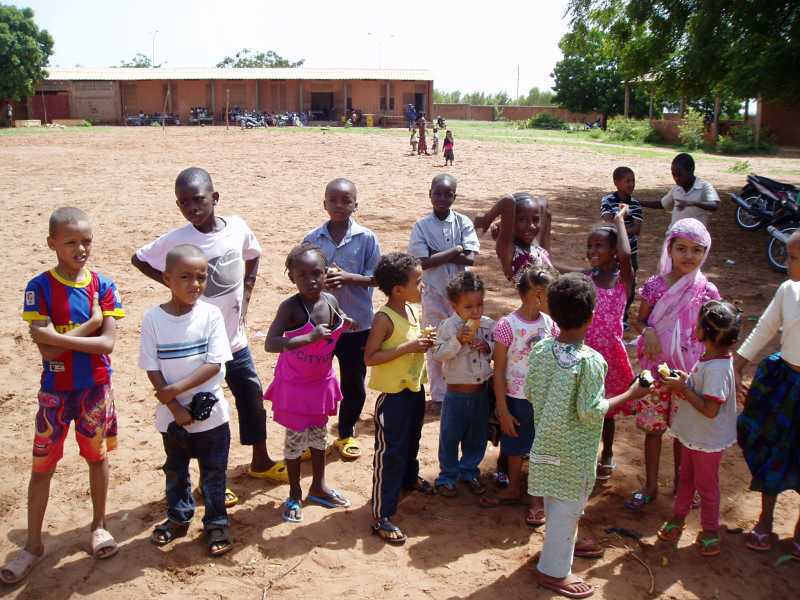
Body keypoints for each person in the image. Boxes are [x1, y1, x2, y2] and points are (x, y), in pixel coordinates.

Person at [132, 167, 286, 499]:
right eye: (184, 203)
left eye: (198, 199)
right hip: (199, 350)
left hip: (235, 341)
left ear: (215, 198)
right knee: (205, 412)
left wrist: (247, 290)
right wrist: (171, 283)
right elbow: (140, 258)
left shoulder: (237, 228)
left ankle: (260, 460)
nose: (192, 208)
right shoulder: (177, 240)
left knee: (251, 399)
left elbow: (253, 254)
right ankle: (208, 481)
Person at [2, 208, 124, 585]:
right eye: (70, 242)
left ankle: (99, 526)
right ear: (51, 242)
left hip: (95, 389)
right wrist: (88, 324)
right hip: (55, 393)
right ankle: (34, 544)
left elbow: (107, 343)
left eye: (86, 241)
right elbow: (48, 354)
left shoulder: (103, 284)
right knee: (43, 466)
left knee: (96, 456)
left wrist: (58, 336)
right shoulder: (38, 287)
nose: (80, 248)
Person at [527, 273, 649, 599]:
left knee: (555, 505)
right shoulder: (592, 362)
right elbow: (592, 411)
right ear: (591, 318)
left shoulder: (539, 350)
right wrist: (631, 394)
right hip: (574, 453)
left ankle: (554, 552)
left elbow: (531, 391)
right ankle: (554, 573)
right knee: (568, 509)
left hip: (544, 444)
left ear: (553, 313)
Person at [139, 245, 234, 557]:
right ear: (167, 278)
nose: (195, 284)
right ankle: (179, 518)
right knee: (176, 471)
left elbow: (214, 363)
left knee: (214, 473)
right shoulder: (153, 319)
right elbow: (152, 366)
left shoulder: (211, 315)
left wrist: (174, 389)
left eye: (201, 277)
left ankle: (217, 522)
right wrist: (174, 406)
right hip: (172, 418)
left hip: (213, 416)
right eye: (185, 277)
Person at [627, 218, 721, 511]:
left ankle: (683, 486)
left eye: (696, 250)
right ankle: (651, 486)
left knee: (683, 435)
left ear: (704, 253)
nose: (688, 256)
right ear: (670, 249)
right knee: (654, 431)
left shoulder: (707, 291)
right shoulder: (655, 286)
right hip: (655, 372)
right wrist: (649, 331)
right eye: (681, 249)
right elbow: (638, 319)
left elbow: (715, 329)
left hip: (688, 377)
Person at [264, 243, 353, 523]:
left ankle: (318, 486)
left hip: (319, 383)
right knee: (294, 443)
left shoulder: (330, 302)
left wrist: (345, 325)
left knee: (319, 438)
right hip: (294, 385)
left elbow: (336, 329)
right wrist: (308, 338)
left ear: (326, 273)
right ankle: (293, 492)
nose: (311, 279)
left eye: (317, 272)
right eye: (302, 275)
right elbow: (271, 343)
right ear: (292, 278)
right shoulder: (290, 308)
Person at [550, 207, 636, 481]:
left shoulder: (623, 280)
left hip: (609, 356)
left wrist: (620, 220)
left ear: (613, 250)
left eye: (599, 245)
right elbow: (559, 269)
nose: (592, 250)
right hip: (583, 354)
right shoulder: (586, 276)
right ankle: (580, 453)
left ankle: (607, 452)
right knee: (581, 406)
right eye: (589, 246)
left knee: (606, 409)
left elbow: (626, 255)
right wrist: (543, 258)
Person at [303, 178, 381, 461]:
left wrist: (348, 277)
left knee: (354, 382)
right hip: (320, 326)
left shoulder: (367, 238)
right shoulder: (312, 239)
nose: (339, 205)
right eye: (333, 200)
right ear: (324, 204)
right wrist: (320, 282)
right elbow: (301, 278)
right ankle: (314, 433)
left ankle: (347, 430)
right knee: (314, 381)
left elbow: (377, 278)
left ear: (355, 205)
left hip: (357, 325)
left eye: (345, 200)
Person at [657, 300, 741, 557]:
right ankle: (678, 517)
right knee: (686, 477)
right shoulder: (711, 359)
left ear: (703, 332)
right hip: (696, 436)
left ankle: (710, 530)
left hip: (707, 439)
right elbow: (700, 389)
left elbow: (710, 409)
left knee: (706, 485)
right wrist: (686, 381)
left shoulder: (717, 369)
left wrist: (682, 389)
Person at [734, 230, 800, 556]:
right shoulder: (788, 291)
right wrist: (738, 364)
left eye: (794, 257)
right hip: (784, 382)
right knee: (769, 445)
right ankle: (765, 519)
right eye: (790, 256)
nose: (789, 264)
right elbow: (765, 328)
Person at [365, 253, 436, 545]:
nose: (423, 287)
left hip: (414, 390)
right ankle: (382, 513)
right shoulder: (384, 318)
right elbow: (370, 357)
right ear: (397, 289)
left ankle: (409, 479)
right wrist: (408, 347)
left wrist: (424, 343)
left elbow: (414, 346)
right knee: (390, 452)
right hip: (392, 398)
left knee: (412, 441)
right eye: (418, 282)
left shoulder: (412, 310)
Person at [479, 266, 557, 529]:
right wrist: (502, 409)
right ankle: (513, 487)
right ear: (535, 295)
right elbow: (498, 370)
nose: (552, 300)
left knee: (541, 448)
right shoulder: (506, 326)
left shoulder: (551, 325)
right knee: (514, 445)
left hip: (543, 400)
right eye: (548, 294)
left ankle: (536, 499)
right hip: (516, 399)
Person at [408, 174, 480, 411]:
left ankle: (462, 388)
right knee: (436, 342)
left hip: (462, 297)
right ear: (430, 194)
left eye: (447, 194)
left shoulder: (463, 223)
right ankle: (439, 395)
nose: (441, 198)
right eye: (437, 193)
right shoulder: (421, 226)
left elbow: (469, 257)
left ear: (454, 197)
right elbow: (423, 263)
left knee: (464, 338)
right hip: (433, 293)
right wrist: (456, 248)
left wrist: (437, 254)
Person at [431, 272, 494, 497]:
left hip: (481, 393)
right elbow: (438, 354)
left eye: (479, 305)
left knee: (477, 436)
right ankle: (447, 476)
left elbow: (498, 349)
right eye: (468, 307)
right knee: (450, 436)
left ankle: (469, 471)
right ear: (454, 305)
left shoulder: (488, 325)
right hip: (456, 395)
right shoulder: (448, 327)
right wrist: (457, 340)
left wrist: (486, 346)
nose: (475, 311)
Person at [474, 192, 552, 284]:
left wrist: (498, 222)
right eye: (522, 220)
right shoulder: (509, 251)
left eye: (535, 219)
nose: (531, 226)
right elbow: (507, 201)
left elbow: (543, 202)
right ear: (511, 222)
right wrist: (486, 220)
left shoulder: (535, 246)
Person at [600, 166, 643, 321]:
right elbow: (607, 221)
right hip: (612, 253)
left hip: (631, 252)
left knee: (629, 283)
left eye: (633, 181)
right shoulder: (607, 200)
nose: (631, 184)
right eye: (627, 181)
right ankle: (610, 312)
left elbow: (637, 229)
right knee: (610, 281)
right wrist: (624, 225)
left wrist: (618, 222)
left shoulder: (636, 204)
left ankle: (623, 315)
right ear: (617, 183)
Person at [639, 153, 719, 226]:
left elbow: (714, 205)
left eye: (680, 175)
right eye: (673, 174)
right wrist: (638, 202)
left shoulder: (704, 186)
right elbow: (662, 204)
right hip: (675, 236)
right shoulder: (676, 189)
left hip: (694, 238)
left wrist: (693, 203)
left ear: (691, 170)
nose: (676, 178)